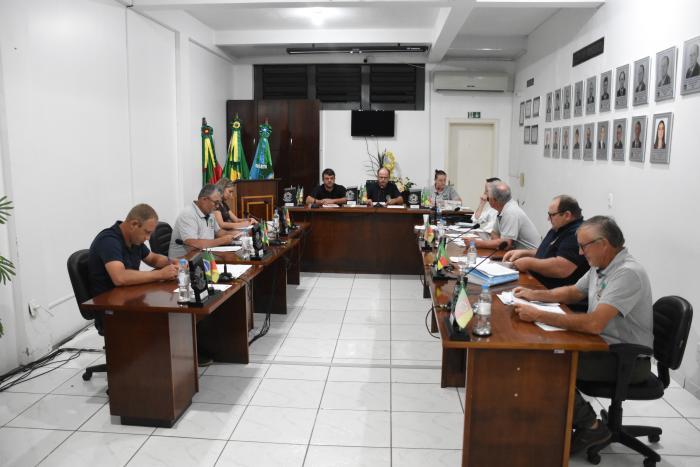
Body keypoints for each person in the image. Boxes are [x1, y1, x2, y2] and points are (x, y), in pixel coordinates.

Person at [512, 216, 653, 455]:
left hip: (626, 360)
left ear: (603, 244)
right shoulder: (601, 265)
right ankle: (563, 420)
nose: (579, 252)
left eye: (583, 246)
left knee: (549, 364)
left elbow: (594, 324)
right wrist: (534, 295)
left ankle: (591, 426)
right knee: (546, 351)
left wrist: (538, 314)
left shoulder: (627, 274)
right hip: (601, 346)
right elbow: (573, 292)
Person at [88, 204, 178, 301]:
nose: (148, 238)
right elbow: (120, 278)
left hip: (130, 296)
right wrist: (159, 274)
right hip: (109, 303)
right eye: (147, 232)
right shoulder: (108, 241)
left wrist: (173, 262)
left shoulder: (134, 240)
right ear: (133, 224)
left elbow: (153, 259)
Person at [503, 195, 588, 290]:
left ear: (567, 215)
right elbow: (549, 251)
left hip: (551, 291)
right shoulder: (559, 227)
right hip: (536, 281)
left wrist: (529, 263)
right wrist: (524, 253)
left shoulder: (576, 233)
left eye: (552, 215)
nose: (548, 219)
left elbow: (561, 268)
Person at [168, 184, 240, 258]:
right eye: (216, 203)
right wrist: (222, 240)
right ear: (204, 200)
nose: (217, 206)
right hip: (184, 260)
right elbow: (193, 245)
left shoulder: (210, 213)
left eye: (219, 203)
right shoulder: (188, 214)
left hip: (205, 254)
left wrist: (234, 234)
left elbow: (218, 232)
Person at [473, 182, 540, 250]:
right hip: (515, 252)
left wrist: (476, 243)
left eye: (488, 198)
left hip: (530, 254)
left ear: (494, 200)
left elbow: (506, 244)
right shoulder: (503, 208)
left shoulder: (510, 212)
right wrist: (498, 242)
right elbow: (494, 233)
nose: (487, 198)